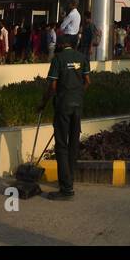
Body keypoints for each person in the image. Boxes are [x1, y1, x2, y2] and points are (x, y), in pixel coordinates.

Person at [38, 34, 90, 201]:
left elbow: (52, 86)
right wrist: (78, 95)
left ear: (62, 44)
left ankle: (66, 189)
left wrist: (43, 103)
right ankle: (69, 179)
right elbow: (87, 81)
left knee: (61, 145)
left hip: (63, 106)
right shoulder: (82, 58)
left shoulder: (58, 59)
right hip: (77, 106)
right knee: (73, 143)